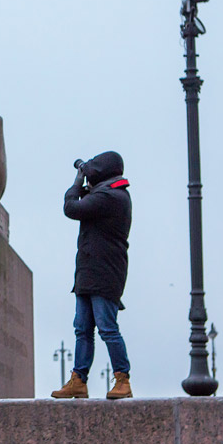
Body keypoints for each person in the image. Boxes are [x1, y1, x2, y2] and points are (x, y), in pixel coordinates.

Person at [51, 150, 133, 400]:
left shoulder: (111, 196)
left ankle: (123, 380)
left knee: (107, 328)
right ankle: (78, 380)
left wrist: (77, 182)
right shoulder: (106, 194)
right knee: (82, 329)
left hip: (105, 272)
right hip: (88, 272)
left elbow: (71, 208)